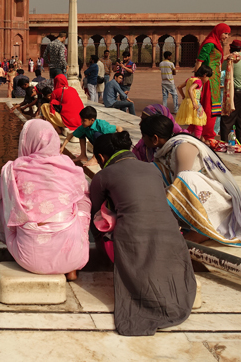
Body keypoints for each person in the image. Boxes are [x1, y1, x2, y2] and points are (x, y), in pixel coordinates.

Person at [89, 130, 197, 336]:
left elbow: (94, 213)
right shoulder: (152, 169)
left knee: (104, 222)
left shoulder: (104, 175)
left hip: (133, 238)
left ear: (102, 158)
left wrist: (99, 249)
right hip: (173, 236)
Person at [0, 120, 90, 280]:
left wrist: (10, 188)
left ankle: (19, 239)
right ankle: (71, 268)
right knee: (81, 199)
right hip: (73, 255)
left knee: (4, 195)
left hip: (30, 258)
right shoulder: (68, 166)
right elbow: (83, 192)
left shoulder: (14, 169)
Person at [146, 115, 241, 246]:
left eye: (144, 136)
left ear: (155, 138)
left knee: (185, 177)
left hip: (219, 201)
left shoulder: (183, 147)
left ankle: (201, 231)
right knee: (155, 170)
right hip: (198, 193)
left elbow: (180, 187)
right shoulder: (166, 149)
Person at [194, 23, 231, 141]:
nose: (227, 36)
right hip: (208, 80)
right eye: (225, 33)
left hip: (214, 80)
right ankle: (206, 134)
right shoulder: (210, 43)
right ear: (219, 31)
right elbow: (199, 61)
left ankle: (207, 134)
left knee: (213, 107)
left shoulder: (216, 43)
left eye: (228, 34)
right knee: (208, 107)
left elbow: (216, 61)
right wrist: (197, 79)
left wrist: (228, 57)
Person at [176, 63, 212, 138]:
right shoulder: (198, 81)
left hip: (187, 102)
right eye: (208, 77)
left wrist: (184, 96)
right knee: (199, 122)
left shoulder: (189, 79)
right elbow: (190, 89)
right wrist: (193, 102)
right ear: (205, 75)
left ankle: (186, 136)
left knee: (193, 123)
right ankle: (197, 139)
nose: (207, 79)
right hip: (195, 102)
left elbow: (179, 87)